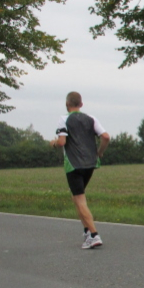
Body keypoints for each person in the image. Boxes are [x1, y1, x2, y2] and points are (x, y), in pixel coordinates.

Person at [51, 92, 110, 249]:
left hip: (74, 164)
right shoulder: (91, 118)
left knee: (80, 200)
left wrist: (54, 143)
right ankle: (86, 231)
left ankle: (94, 235)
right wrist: (100, 152)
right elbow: (105, 137)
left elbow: (62, 142)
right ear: (81, 104)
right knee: (76, 197)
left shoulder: (64, 119)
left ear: (67, 104)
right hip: (90, 164)